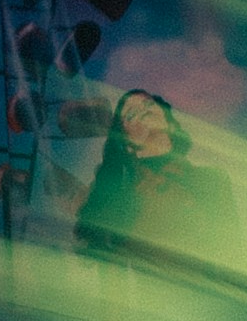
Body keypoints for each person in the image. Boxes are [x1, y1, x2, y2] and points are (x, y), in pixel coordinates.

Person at [73, 77, 223, 267]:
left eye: (148, 104)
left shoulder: (213, 181)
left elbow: (231, 254)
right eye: (131, 113)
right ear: (127, 144)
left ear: (171, 125)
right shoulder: (120, 197)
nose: (144, 110)